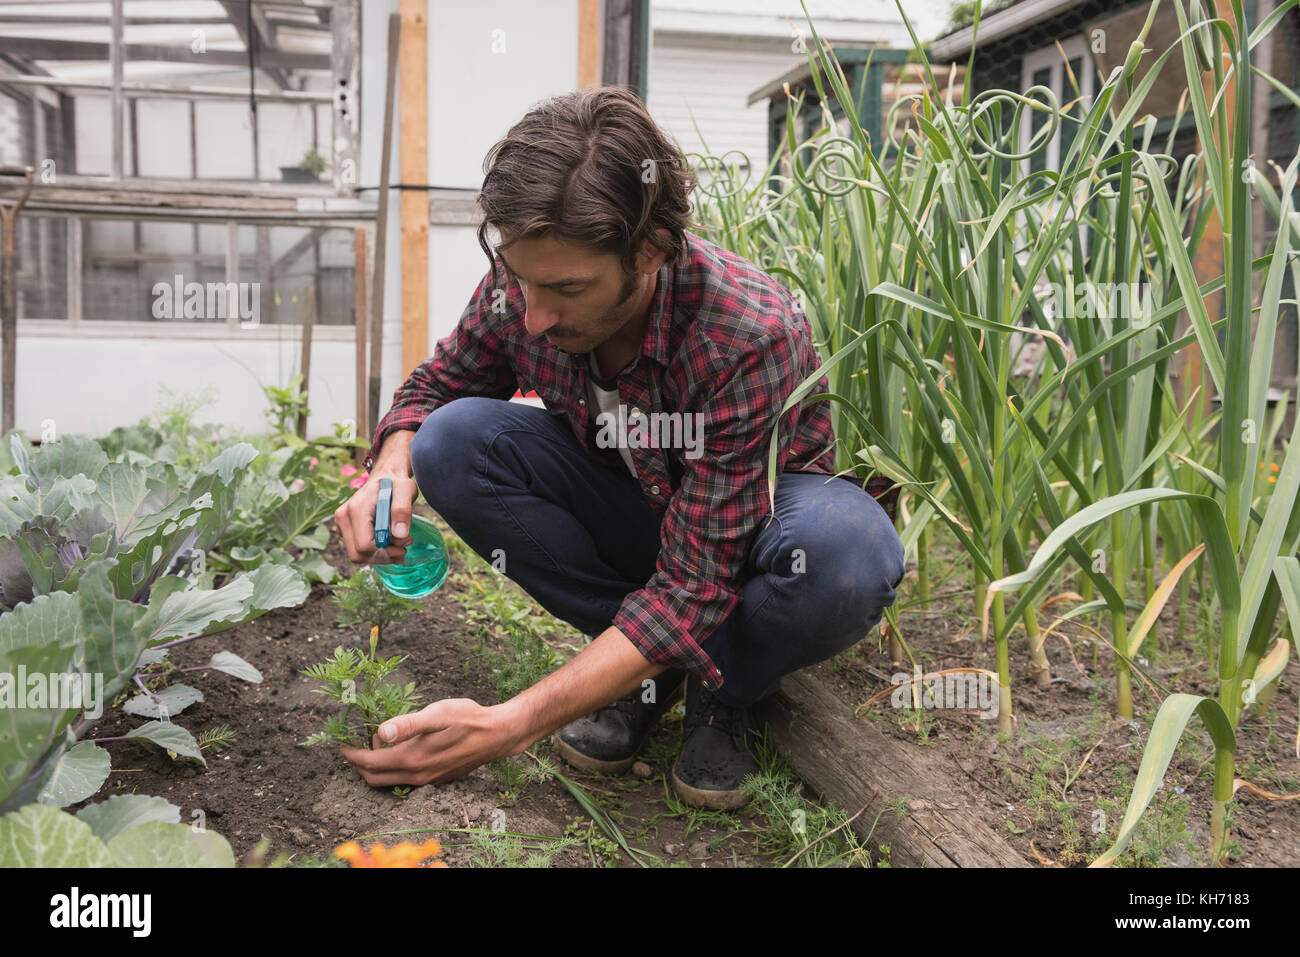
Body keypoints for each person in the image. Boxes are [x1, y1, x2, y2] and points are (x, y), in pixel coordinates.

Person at [332, 86, 904, 809]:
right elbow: (436, 387)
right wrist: (389, 468)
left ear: (650, 250)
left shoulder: (745, 334)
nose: (535, 319)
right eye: (522, 281)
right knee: (448, 441)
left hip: (754, 534)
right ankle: (646, 662)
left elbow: (698, 580)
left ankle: (724, 683)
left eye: (566, 289)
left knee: (846, 554)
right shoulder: (527, 287)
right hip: (645, 510)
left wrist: (509, 725)